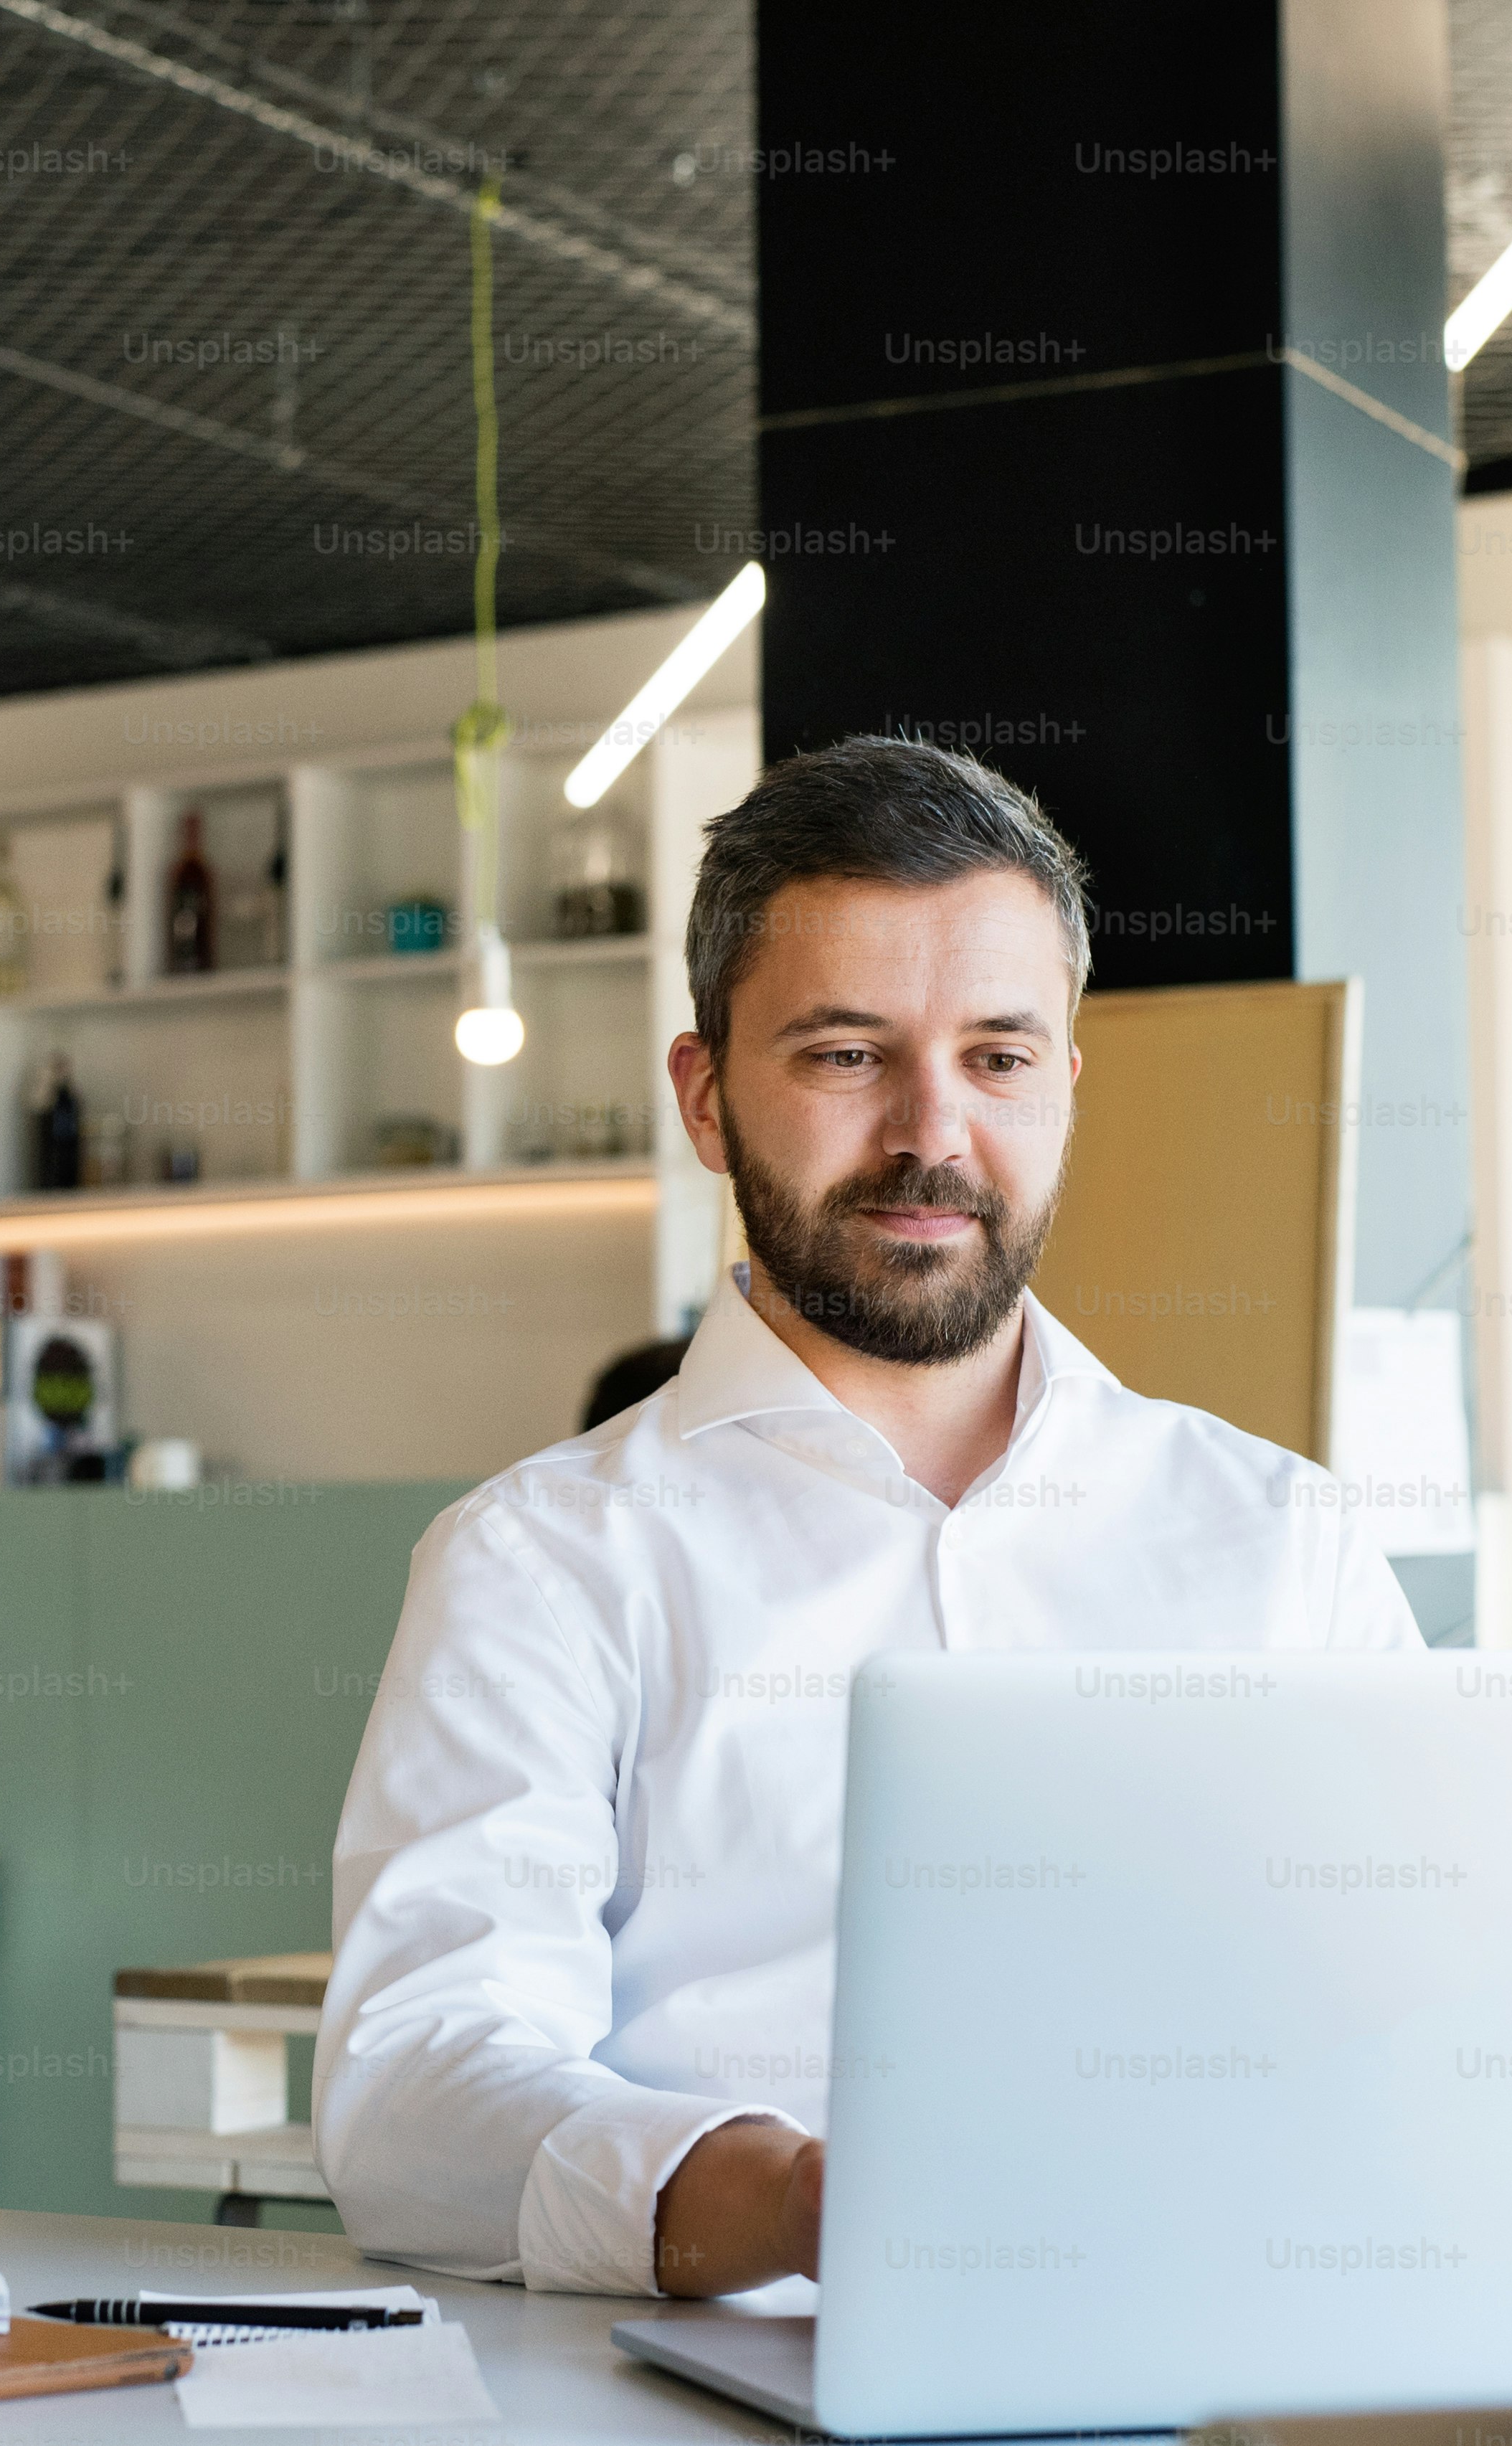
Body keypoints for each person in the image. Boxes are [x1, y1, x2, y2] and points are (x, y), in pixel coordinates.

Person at [313, 737, 1418, 2299]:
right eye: (844, 1054)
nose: (931, 1131)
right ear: (706, 1098)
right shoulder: (544, 1562)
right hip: (725, 2389)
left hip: (1214, 2357)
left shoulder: (1282, 1541)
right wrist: (805, 2202)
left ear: (1063, 1086)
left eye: (998, 1056)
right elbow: (417, 2102)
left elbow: (1412, 2003)